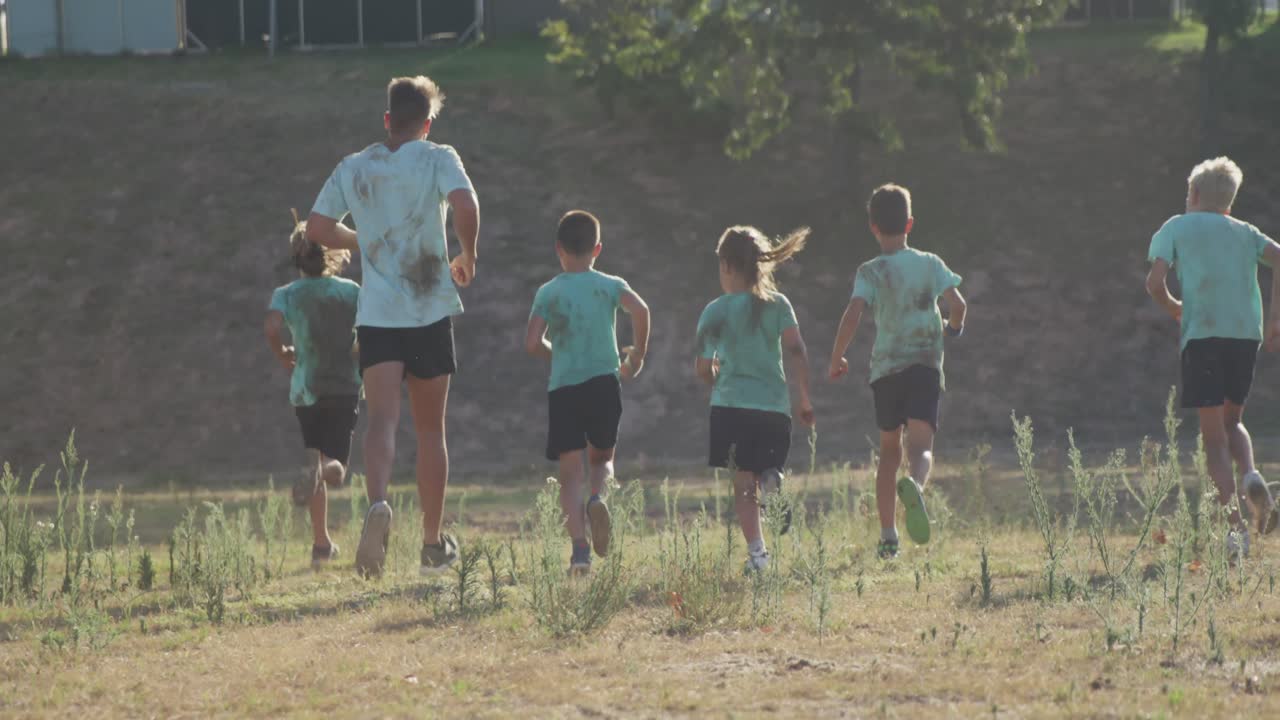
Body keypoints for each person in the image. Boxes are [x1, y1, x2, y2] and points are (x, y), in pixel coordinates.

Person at [307, 76, 480, 577]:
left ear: (387, 120)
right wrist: (467, 255)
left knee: (382, 419)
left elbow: (317, 228)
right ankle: (431, 543)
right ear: (427, 124)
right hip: (428, 309)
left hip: (378, 315)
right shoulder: (438, 156)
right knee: (431, 430)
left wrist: (362, 239)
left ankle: (378, 503)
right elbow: (466, 205)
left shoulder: (354, 166)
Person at [1146, 156, 1280, 561]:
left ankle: (1236, 531)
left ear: (1195, 194)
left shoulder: (1177, 226)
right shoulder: (1245, 231)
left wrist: (1174, 308)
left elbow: (1154, 282)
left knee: (1212, 439)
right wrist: (1275, 319)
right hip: (1244, 337)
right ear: (1230, 201)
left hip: (1203, 335)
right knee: (1233, 421)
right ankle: (1253, 474)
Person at [828, 184, 966, 560]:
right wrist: (953, 328)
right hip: (924, 365)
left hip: (886, 370)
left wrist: (838, 356)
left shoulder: (870, 271)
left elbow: (853, 312)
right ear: (910, 223)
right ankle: (916, 485)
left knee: (889, 452)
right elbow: (958, 305)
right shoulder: (931, 264)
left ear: (873, 227)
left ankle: (888, 537)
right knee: (920, 447)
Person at [525, 210, 651, 574]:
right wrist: (636, 355)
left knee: (569, 473)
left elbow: (532, 342)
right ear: (597, 248)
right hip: (603, 383)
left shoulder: (548, 292)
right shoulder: (610, 285)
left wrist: (556, 353)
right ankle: (599, 497)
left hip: (564, 389)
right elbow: (640, 310)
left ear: (558, 249)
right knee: (602, 460)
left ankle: (580, 550)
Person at [695, 225, 816, 572]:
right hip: (773, 410)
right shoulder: (778, 305)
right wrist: (804, 397)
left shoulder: (714, 312)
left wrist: (715, 376)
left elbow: (703, 368)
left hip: (731, 408)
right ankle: (771, 479)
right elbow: (796, 349)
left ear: (727, 266)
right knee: (765, 468)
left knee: (742, 484)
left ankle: (759, 556)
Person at [264, 211, 361, 570]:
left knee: (315, 457)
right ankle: (320, 471)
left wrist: (282, 354)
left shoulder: (286, 294)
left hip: (306, 389)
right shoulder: (351, 292)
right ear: (332, 252)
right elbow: (365, 331)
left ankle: (321, 545)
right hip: (344, 386)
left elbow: (272, 328)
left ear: (295, 258)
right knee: (335, 468)